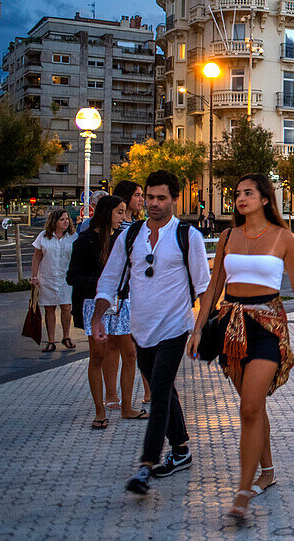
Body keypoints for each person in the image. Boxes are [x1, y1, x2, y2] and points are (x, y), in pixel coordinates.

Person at [189, 173, 294, 522]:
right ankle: (266, 471)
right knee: (252, 406)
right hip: (231, 327)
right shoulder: (227, 237)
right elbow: (213, 287)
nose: (240, 198)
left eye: (248, 193)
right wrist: (197, 327)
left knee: (250, 407)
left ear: (265, 198)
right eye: (237, 193)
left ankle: (241, 495)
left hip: (268, 326)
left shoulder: (284, 238)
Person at [90, 170, 211, 495]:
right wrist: (98, 318)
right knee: (165, 390)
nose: (153, 204)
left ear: (173, 199)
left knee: (158, 392)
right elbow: (109, 279)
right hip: (141, 331)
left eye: (161, 198)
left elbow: (204, 288)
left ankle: (146, 466)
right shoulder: (130, 237)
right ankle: (182, 449)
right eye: (150, 197)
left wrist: (200, 330)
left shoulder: (189, 236)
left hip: (175, 328)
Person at [68, 195, 145, 428]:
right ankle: (99, 411)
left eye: (124, 212)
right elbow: (72, 276)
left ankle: (127, 407)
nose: (123, 217)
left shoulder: (122, 240)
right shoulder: (84, 241)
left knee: (130, 354)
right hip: (94, 303)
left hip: (121, 302)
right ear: (106, 212)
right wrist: (101, 283)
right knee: (97, 356)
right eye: (119, 212)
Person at [113, 179, 152, 414]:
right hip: (122, 296)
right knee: (125, 351)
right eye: (137, 195)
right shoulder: (116, 228)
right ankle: (115, 398)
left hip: (140, 294)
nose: (141, 200)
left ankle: (148, 393)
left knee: (142, 347)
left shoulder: (140, 225)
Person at [30, 209, 76, 352]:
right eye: (62, 219)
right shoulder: (44, 236)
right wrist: (34, 277)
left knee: (66, 307)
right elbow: (37, 256)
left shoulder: (73, 237)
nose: (66, 222)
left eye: (67, 219)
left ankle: (66, 336)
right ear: (54, 221)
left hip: (65, 278)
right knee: (49, 308)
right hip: (47, 277)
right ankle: (51, 340)